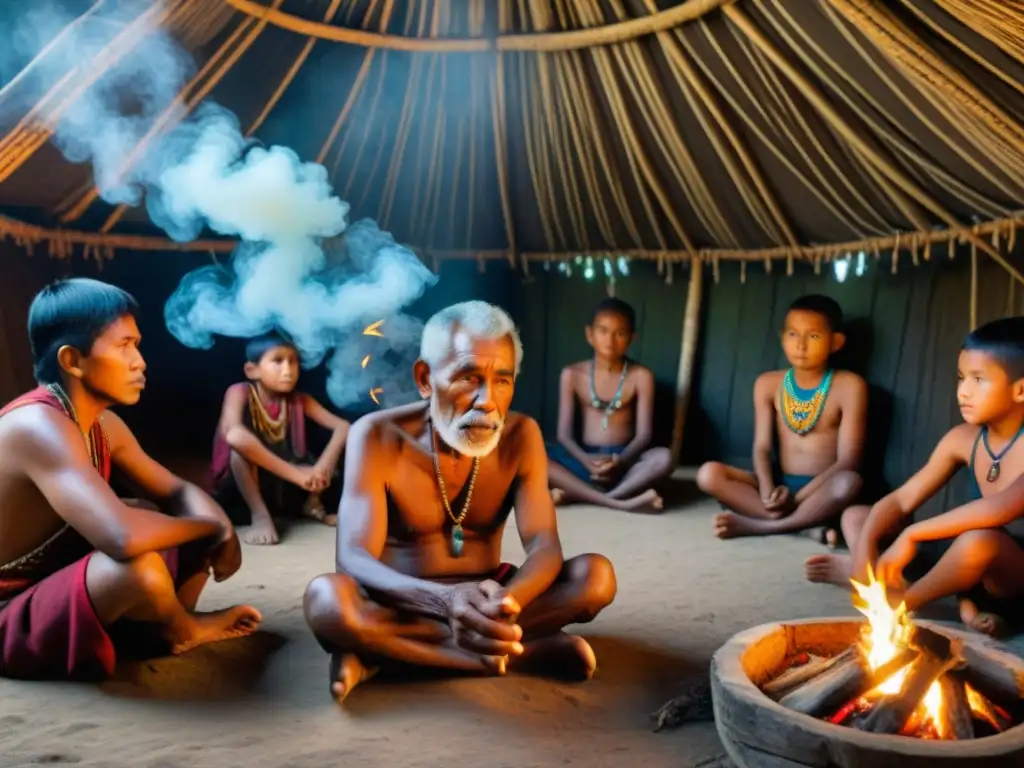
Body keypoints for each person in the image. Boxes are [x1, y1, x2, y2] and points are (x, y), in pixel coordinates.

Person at [303, 301, 617, 703]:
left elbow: (543, 544)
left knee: (595, 577)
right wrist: (444, 601)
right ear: (425, 379)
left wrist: (508, 602)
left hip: (493, 600)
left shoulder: (521, 435)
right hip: (402, 602)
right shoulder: (376, 436)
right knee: (327, 601)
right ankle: (508, 655)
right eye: (469, 378)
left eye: (502, 381)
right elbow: (353, 557)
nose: (487, 400)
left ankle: (385, 656)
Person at [0, 278, 261, 681]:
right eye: (124, 346)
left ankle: (163, 623)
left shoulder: (103, 424)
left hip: (53, 584)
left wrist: (217, 526)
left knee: (154, 515)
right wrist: (211, 528)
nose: (139, 361)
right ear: (72, 360)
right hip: (8, 612)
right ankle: (180, 629)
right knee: (139, 560)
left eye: (136, 346)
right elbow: (120, 538)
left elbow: (175, 489)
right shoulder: (36, 425)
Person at [806, 317, 1024, 637]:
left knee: (979, 540)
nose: (964, 391)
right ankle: (867, 575)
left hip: (1011, 576)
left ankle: (901, 606)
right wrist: (865, 550)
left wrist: (911, 536)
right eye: (961, 377)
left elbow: (998, 510)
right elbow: (901, 499)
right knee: (859, 517)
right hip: (963, 569)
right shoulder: (963, 439)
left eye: (979, 380)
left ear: (1020, 390)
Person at [697, 294, 866, 540]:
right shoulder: (768, 384)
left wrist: (797, 498)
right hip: (778, 482)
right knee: (708, 474)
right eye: (792, 334)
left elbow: (849, 461)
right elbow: (763, 447)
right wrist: (767, 490)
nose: (801, 345)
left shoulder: (850, 386)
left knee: (849, 483)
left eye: (814, 336)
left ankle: (763, 525)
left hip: (820, 489)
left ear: (836, 342)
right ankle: (804, 526)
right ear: (782, 337)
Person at [211, 331, 350, 546]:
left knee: (342, 450)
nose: (288, 370)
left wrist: (321, 468)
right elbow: (234, 435)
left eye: (293, 362)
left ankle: (313, 505)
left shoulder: (300, 400)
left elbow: (343, 427)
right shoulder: (239, 392)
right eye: (278, 361)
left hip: (283, 484)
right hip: (245, 487)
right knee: (239, 453)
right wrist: (295, 475)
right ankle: (260, 517)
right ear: (252, 370)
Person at [545, 298, 673, 513]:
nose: (610, 340)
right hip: (584, 458)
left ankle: (590, 495)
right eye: (603, 331)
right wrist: (586, 461)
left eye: (620, 333)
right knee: (534, 453)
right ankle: (618, 501)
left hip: (624, 462)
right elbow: (564, 435)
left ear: (632, 338)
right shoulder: (572, 374)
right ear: (589, 334)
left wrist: (620, 462)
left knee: (664, 458)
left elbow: (644, 435)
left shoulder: (641, 376)